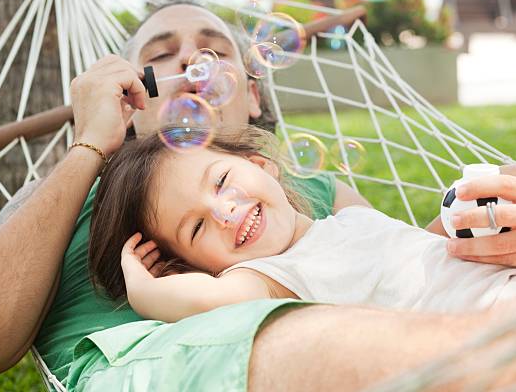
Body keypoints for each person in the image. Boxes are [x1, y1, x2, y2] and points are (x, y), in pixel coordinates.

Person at [0, 1, 516, 390]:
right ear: (127, 100)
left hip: (386, 331)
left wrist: (484, 228)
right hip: (172, 355)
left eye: (215, 47)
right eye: (159, 57)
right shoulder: (64, 195)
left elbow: (394, 268)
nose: (191, 59)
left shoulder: (310, 190)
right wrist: (88, 150)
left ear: (253, 98)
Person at [89, 125, 516, 323]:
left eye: (221, 181)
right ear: (192, 265)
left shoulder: (346, 220)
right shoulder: (268, 276)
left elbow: (410, 261)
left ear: (261, 164)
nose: (225, 211)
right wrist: (144, 291)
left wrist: (466, 210)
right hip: (484, 324)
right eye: (196, 228)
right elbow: (211, 299)